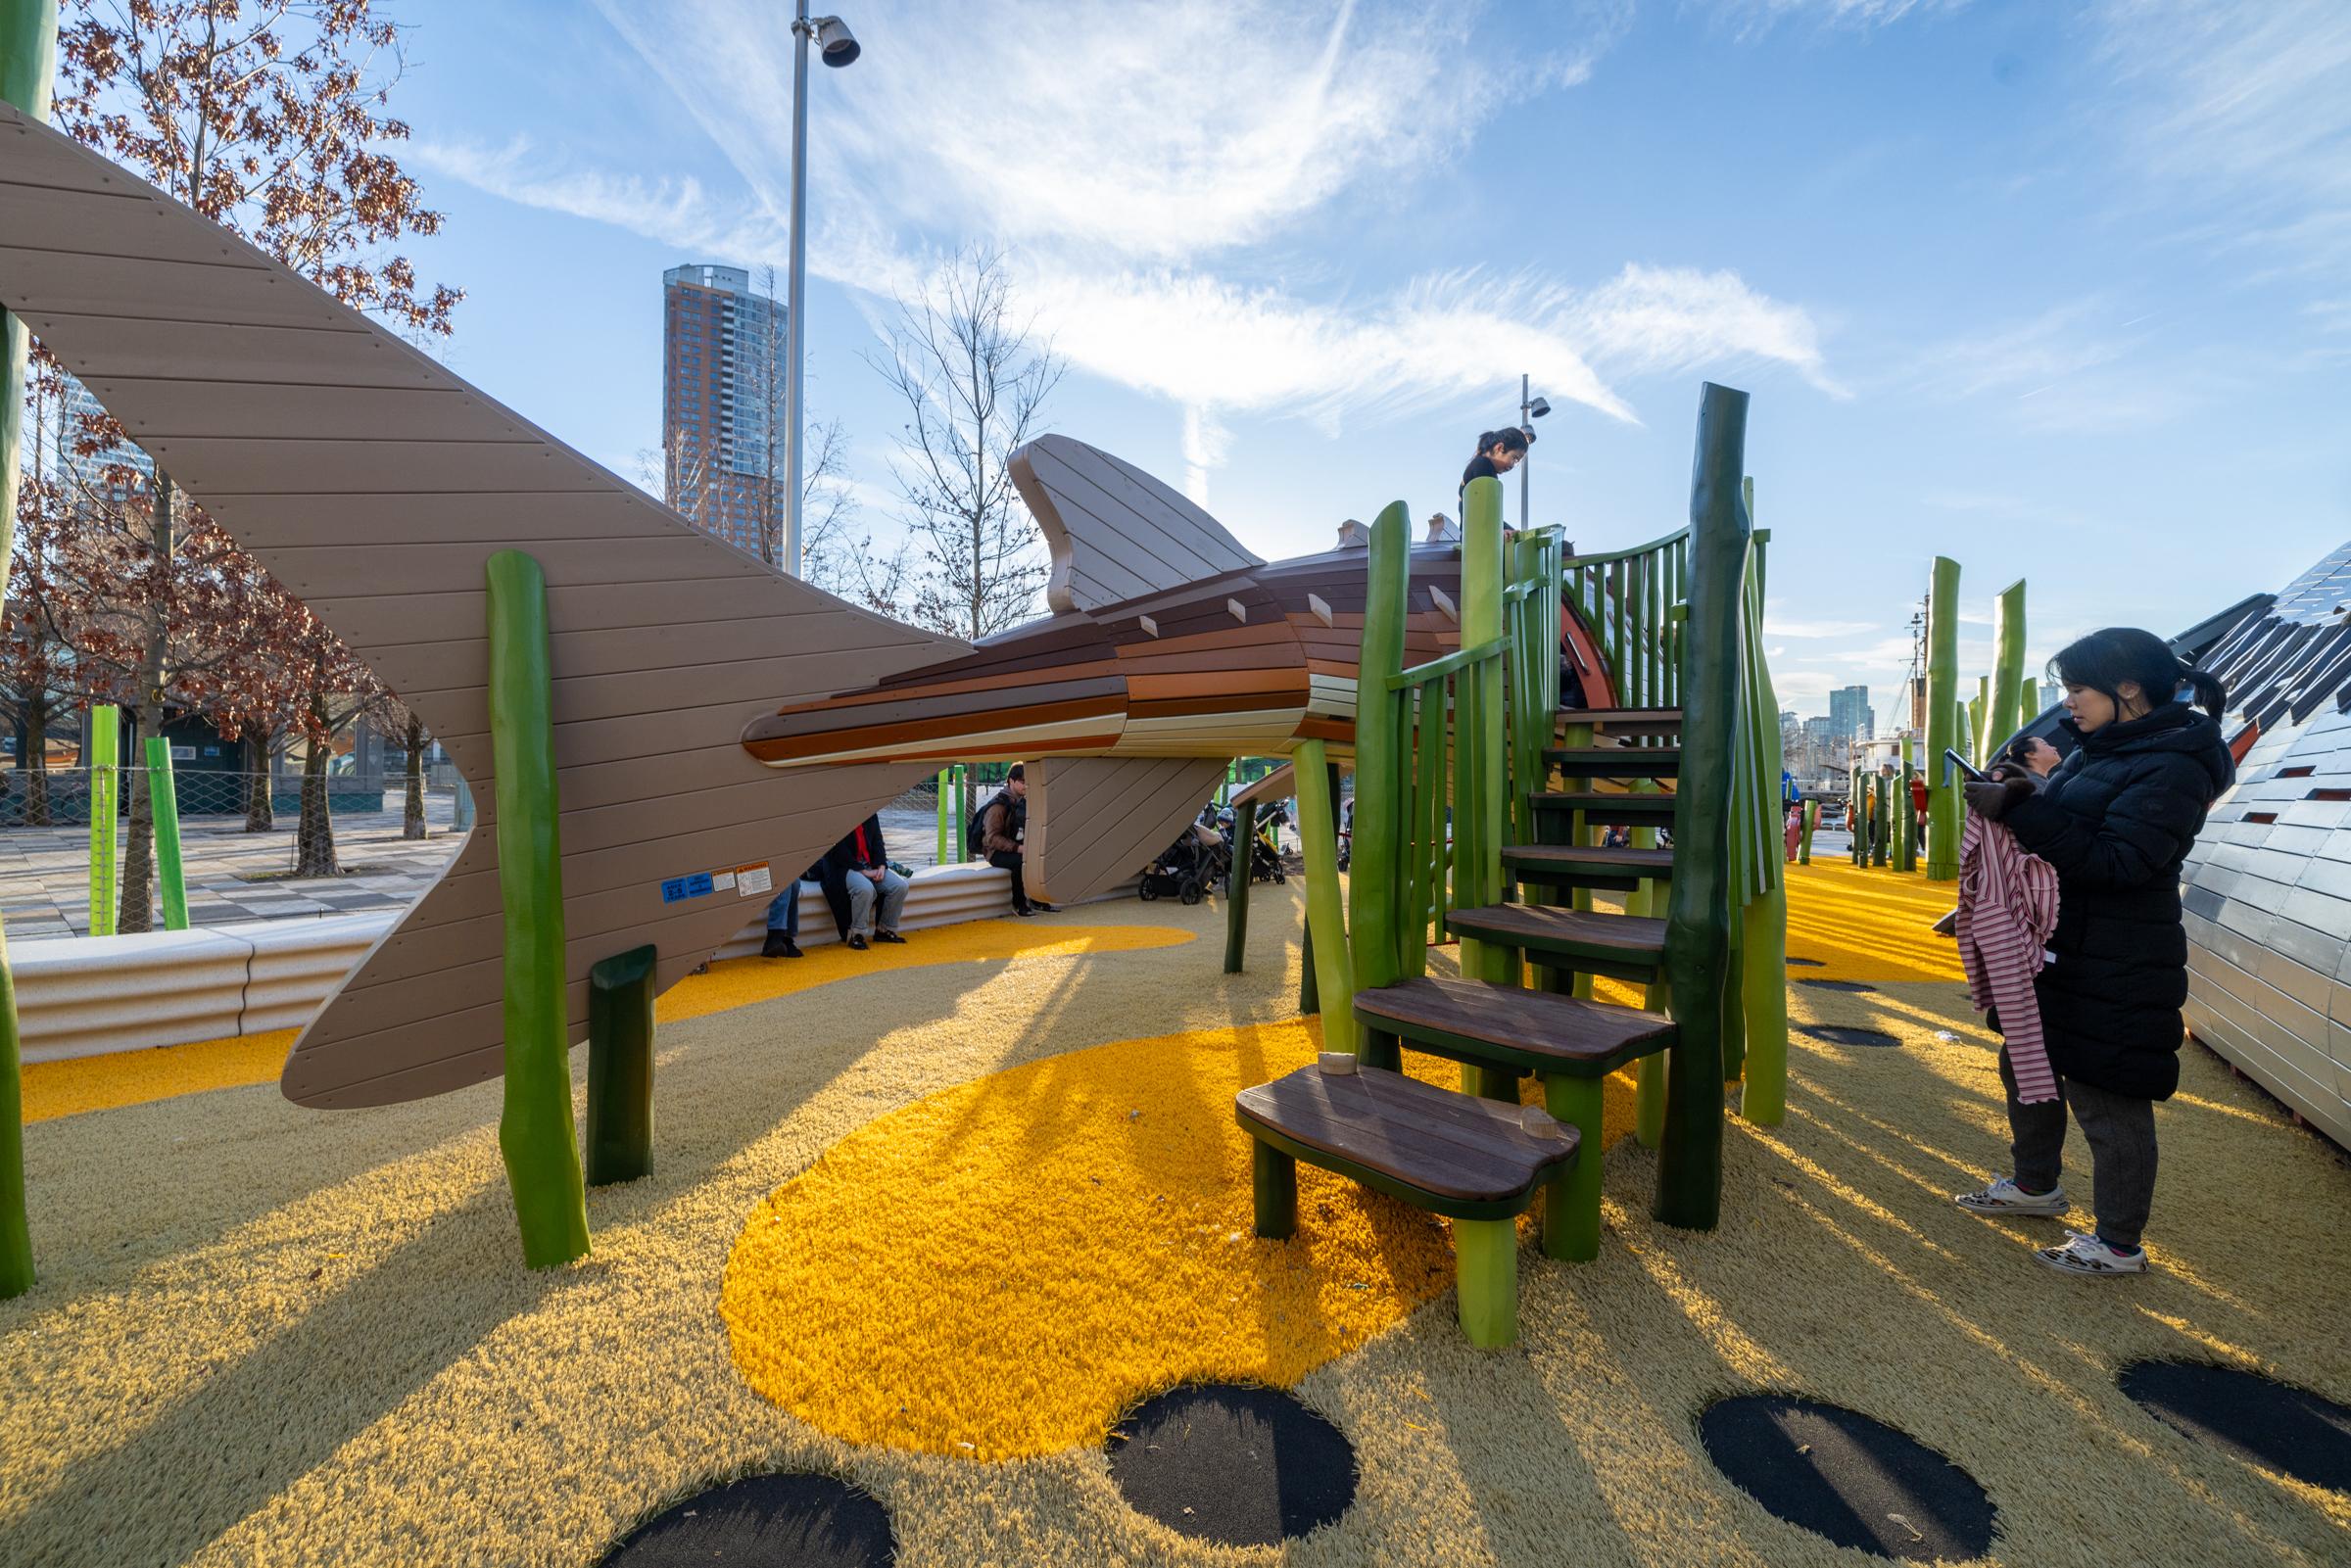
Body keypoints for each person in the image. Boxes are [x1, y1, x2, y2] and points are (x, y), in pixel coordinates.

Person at [1951, 629, 2232, 1278]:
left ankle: (2118, 1245)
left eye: (2077, 688)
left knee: (2108, 1095)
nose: (2068, 701)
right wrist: (2026, 791)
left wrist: (2022, 808)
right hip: (2062, 942)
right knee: (2026, 1060)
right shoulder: (2107, 747)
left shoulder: (2174, 764)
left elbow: (2120, 860)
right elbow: (2071, 820)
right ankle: (2035, 1185)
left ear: (2126, 687)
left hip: (2119, 954)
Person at [978, 763, 1054, 916]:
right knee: (1020, 862)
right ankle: (1019, 905)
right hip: (995, 852)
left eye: (1028, 782)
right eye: (1022, 781)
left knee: (1040, 858)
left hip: (1017, 846)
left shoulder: (1023, 801)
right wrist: (1017, 848)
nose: (1026, 786)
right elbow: (992, 838)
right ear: (1011, 781)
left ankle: (1037, 899)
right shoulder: (998, 806)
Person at [827, 813, 907, 951]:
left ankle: (884, 930)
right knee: (865, 888)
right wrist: (864, 871)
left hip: (869, 864)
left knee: (899, 886)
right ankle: (856, 935)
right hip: (845, 867)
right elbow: (838, 851)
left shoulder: (870, 812)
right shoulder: (836, 814)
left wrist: (881, 865)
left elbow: (878, 840)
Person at [1460, 427, 1528, 498]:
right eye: (1514, 458)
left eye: (1516, 461)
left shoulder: (1481, 464)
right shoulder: (1483, 466)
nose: (1513, 465)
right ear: (1499, 448)